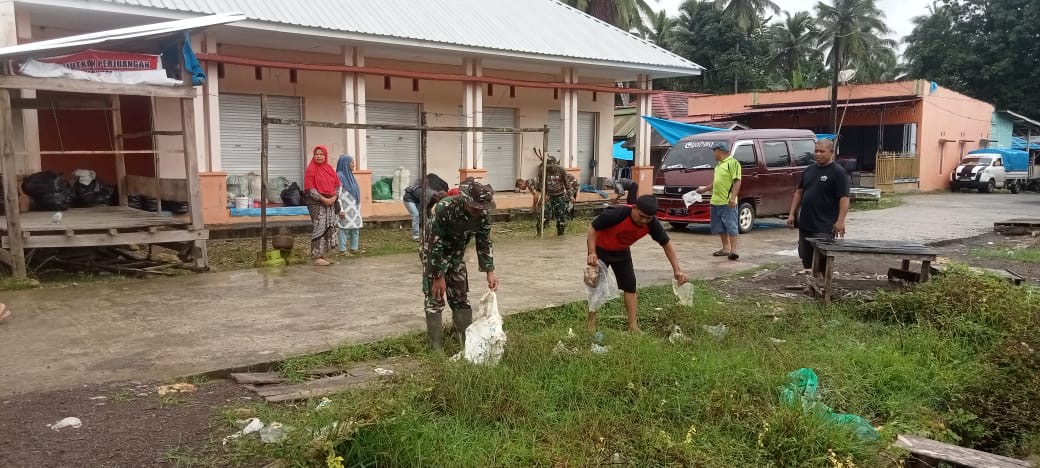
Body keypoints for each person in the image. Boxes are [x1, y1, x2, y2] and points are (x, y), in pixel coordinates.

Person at [586, 195, 688, 332]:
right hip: (600, 250)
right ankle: (591, 324)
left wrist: (677, 270)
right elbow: (593, 228)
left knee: (630, 286)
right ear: (634, 208)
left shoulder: (652, 224)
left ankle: (633, 326)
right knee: (595, 286)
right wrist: (592, 252)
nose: (644, 220)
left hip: (622, 252)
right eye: (641, 216)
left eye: (648, 218)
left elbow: (666, 244)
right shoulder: (618, 213)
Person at [421, 180, 499, 350]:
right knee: (435, 298)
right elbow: (435, 243)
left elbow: (484, 242)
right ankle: (435, 348)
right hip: (433, 252)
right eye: (475, 207)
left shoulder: (483, 215)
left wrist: (489, 272)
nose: (478, 211)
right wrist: (437, 276)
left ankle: (466, 343)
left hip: (456, 254)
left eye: (482, 207)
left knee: (460, 297)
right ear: (466, 200)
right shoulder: (445, 208)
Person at [787, 139, 850, 270]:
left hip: (824, 225)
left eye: (822, 151)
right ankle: (810, 282)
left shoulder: (838, 172)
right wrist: (792, 214)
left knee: (822, 256)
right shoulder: (809, 170)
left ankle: (822, 283)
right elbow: (799, 192)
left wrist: (840, 221)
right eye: (816, 151)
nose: (818, 154)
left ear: (831, 152)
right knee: (805, 255)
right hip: (805, 223)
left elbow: (844, 198)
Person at [695, 142, 742, 261]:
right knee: (719, 226)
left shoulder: (733, 163)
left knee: (731, 225)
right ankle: (725, 248)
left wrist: (732, 198)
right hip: (716, 201)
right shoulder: (718, 166)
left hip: (727, 201)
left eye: (714, 151)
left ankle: (733, 250)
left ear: (720, 151)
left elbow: (737, 181)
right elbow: (715, 183)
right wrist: (704, 189)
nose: (713, 154)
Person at [520, 156, 579, 235]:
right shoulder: (542, 171)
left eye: (552, 165)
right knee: (543, 215)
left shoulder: (561, 170)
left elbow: (567, 184)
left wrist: (571, 195)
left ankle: (560, 236)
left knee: (561, 218)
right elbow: (541, 184)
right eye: (548, 166)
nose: (550, 168)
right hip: (548, 196)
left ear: (556, 164)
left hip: (559, 196)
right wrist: (544, 194)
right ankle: (539, 234)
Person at [303, 145, 340, 266]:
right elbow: (310, 190)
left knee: (328, 226)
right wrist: (324, 199)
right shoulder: (311, 169)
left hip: (330, 202)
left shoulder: (329, 169)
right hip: (316, 203)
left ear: (325, 156)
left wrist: (333, 198)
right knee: (319, 226)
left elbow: (337, 186)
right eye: (316, 154)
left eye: (321, 154)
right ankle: (316, 256)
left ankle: (323, 254)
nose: (319, 156)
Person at [403, 173, 449, 241]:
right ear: (437, 196)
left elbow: (428, 209)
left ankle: (425, 233)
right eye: (439, 200)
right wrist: (427, 223)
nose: (438, 203)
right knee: (416, 215)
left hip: (417, 200)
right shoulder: (427, 196)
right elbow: (423, 211)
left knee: (424, 217)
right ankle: (416, 236)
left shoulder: (434, 199)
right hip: (408, 199)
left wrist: (431, 220)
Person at [335, 155, 364, 256]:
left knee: (355, 228)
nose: (354, 164)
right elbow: (336, 195)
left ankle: (354, 248)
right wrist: (340, 210)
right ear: (345, 163)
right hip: (345, 209)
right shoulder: (339, 176)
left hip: (354, 209)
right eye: (352, 162)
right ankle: (342, 250)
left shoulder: (350, 176)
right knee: (343, 229)